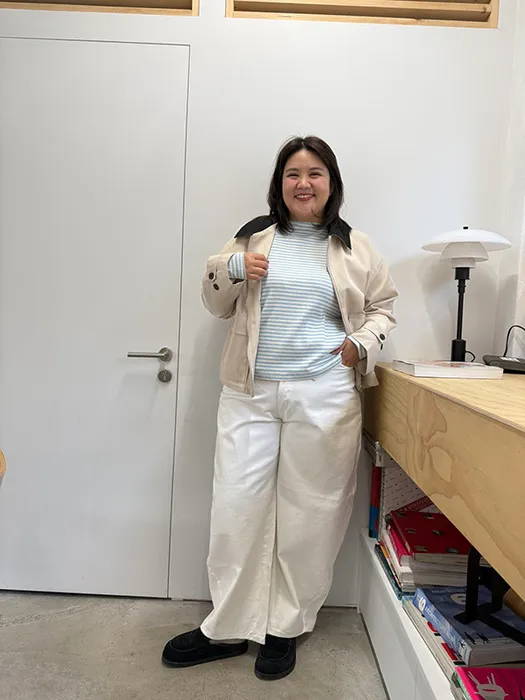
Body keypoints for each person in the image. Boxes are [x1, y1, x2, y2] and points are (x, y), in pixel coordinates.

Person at [162, 136, 398, 681]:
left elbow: (384, 308)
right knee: (236, 505)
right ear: (280, 183)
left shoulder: (356, 246)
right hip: (250, 392)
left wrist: (360, 343)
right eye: (293, 173)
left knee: (312, 510)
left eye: (315, 173)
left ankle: (283, 627)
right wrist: (235, 268)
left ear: (331, 184)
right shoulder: (252, 237)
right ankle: (227, 627)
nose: (304, 183)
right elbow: (215, 302)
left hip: (325, 393)